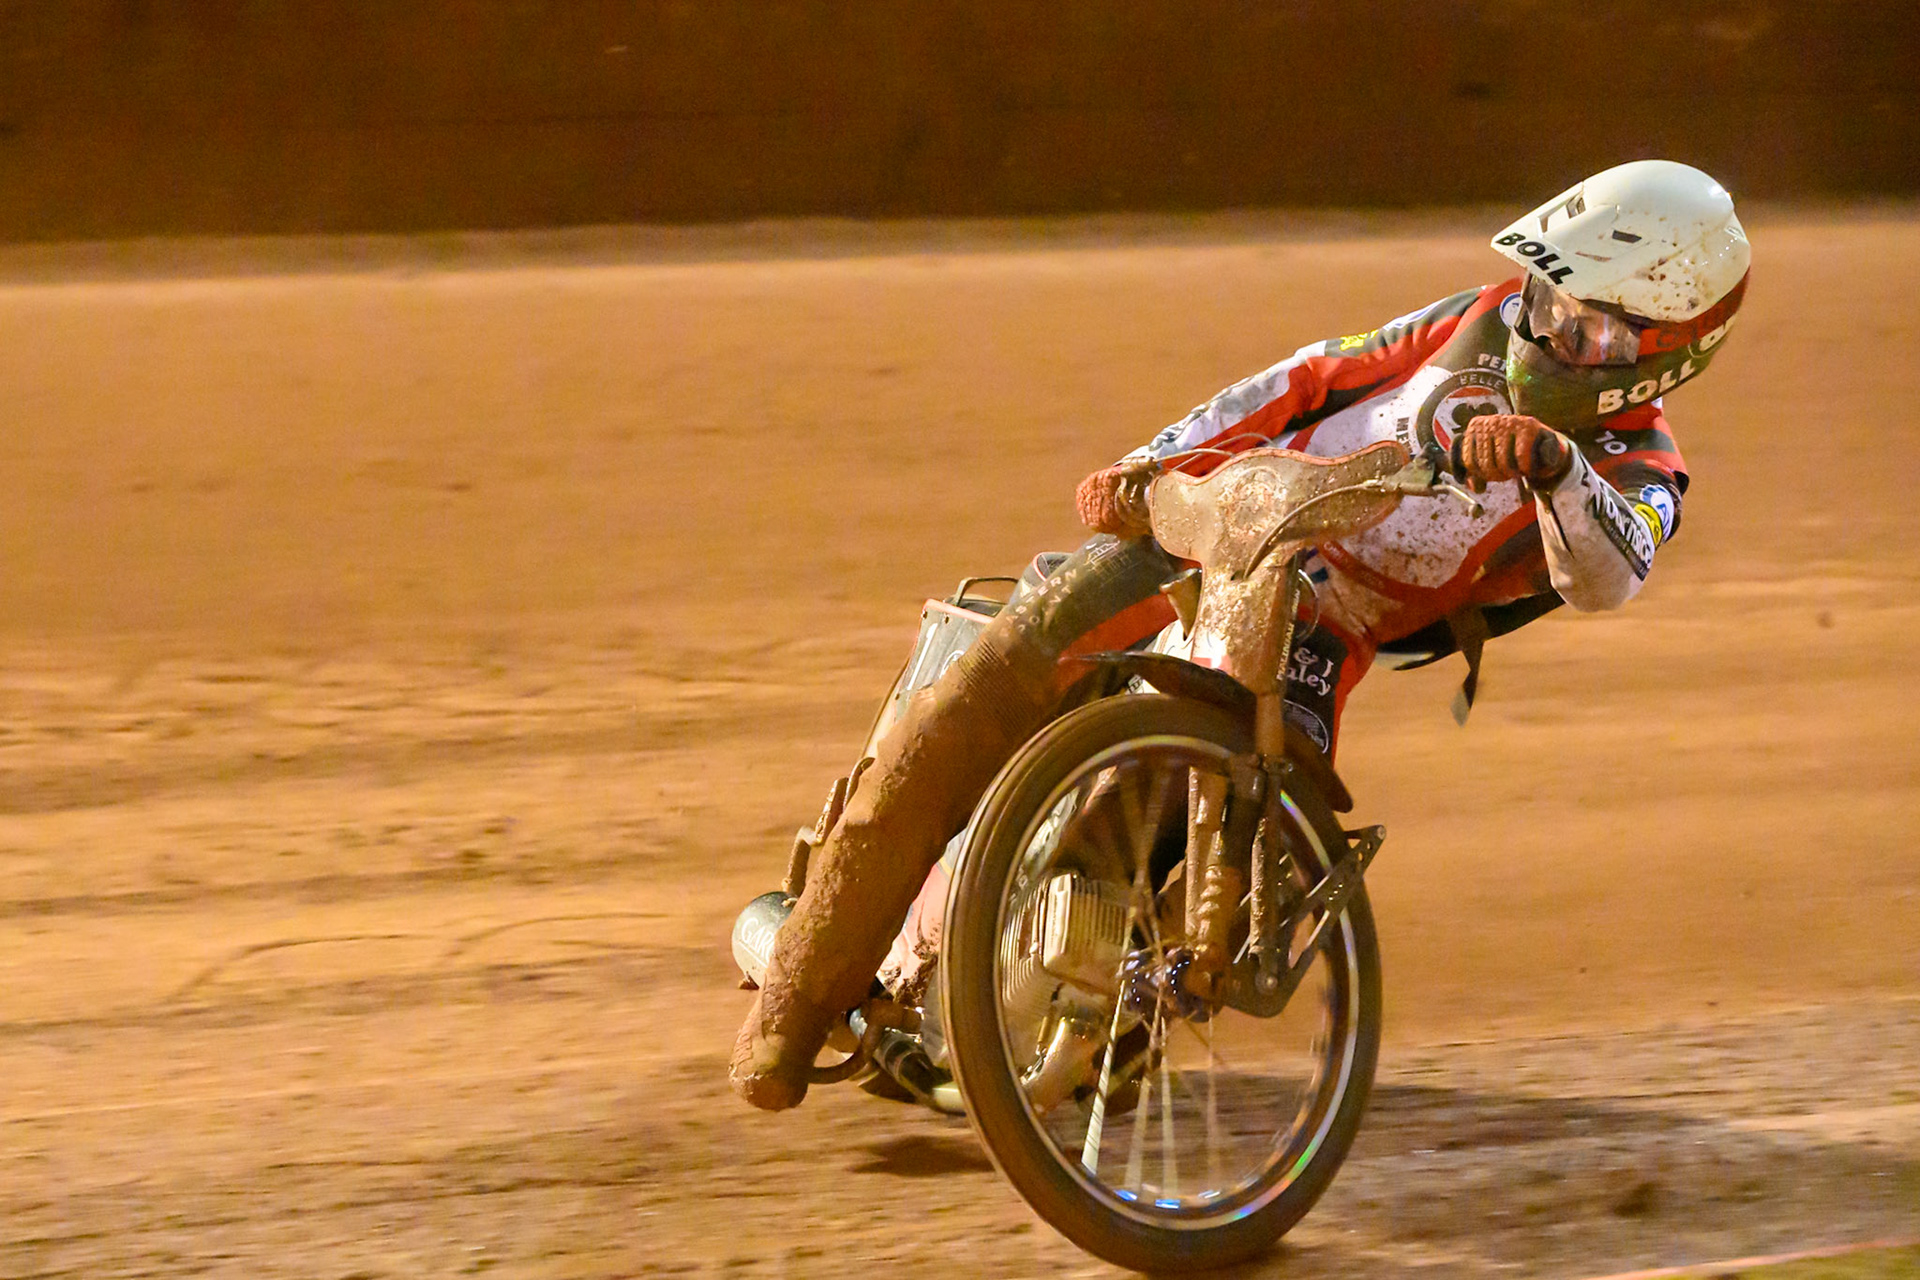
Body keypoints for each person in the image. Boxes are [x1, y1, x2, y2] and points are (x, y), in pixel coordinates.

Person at [731, 159, 1752, 1111]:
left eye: (1586, 328)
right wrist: (1157, 461)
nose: (1546, 330)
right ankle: (794, 997)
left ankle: (1083, 1021)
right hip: (1216, 521)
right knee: (996, 672)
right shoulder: (1474, 319)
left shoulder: (1643, 466)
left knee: (1236, 821)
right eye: (1544, 299)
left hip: (1326, 616)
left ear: (1667, 347)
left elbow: (1609, 573)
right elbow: (1311, 377)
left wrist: (1552, 466)